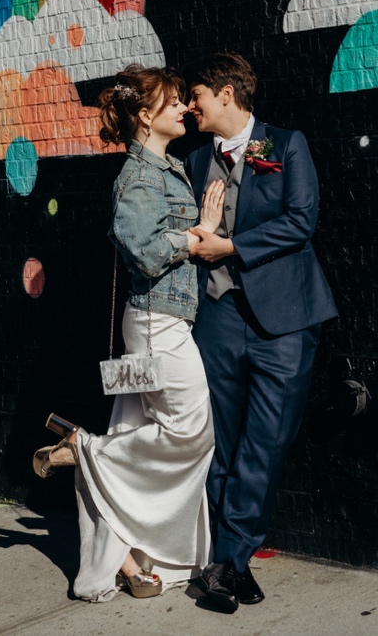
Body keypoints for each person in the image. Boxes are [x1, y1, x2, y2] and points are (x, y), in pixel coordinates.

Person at [34, 64, 225, 601]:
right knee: (192, 432)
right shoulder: (139, 176)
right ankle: (84, 447)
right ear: (145, 116)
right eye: (172, 103)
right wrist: (197, 237)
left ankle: (131, 561)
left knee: (137, 433)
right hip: (156, 322)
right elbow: (141, 251)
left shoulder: (165, 166)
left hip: (161, 318)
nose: (184, 108)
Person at [179, 52, 337, 613]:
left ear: (225, 93)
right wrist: (201, 235)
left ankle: (228, 556)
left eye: (195, 95)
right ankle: (231, 563)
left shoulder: (281, 145)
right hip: (219, 317)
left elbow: (301, 220)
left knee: (265, 442)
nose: (190, 106)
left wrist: (232, 246)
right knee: (219, 443)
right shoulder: (196, 161)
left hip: (284, 321)